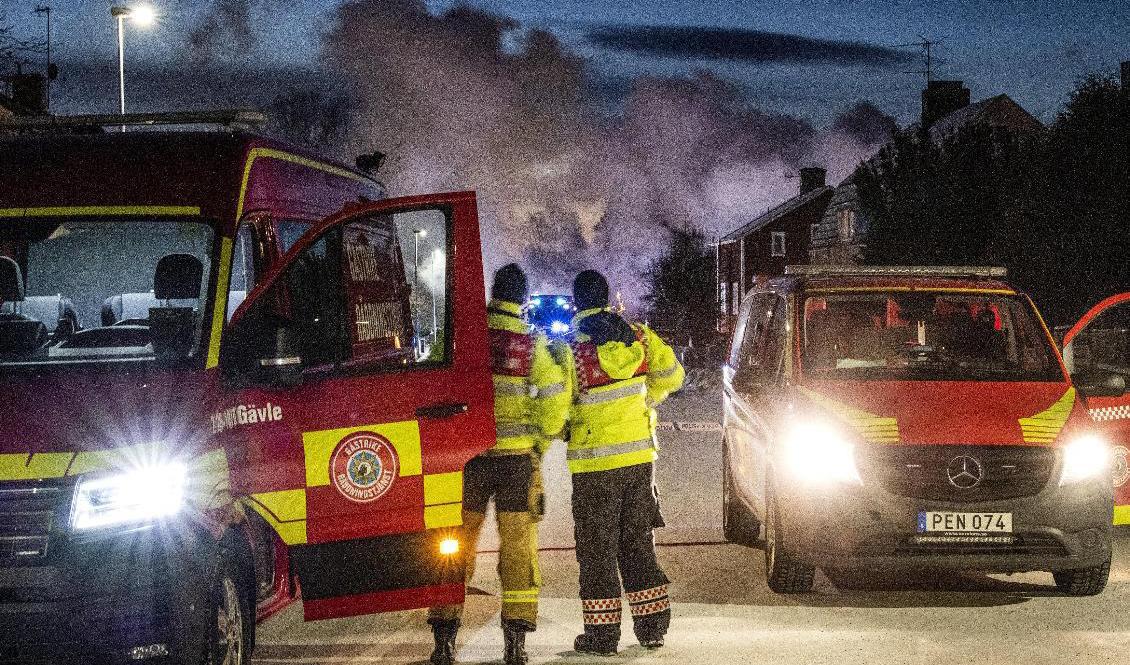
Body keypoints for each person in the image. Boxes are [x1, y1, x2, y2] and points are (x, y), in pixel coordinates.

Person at [427, 264, 570, 665]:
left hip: (468, 460)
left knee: (453, 545)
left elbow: (437, 391)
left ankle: (443, 640)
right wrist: (538, 441)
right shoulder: (531, 344)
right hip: (516, 463)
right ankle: (515, 644)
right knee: (519, 549)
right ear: (522, 299)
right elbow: (555, 401)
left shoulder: (464, 339)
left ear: (493, 293)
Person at [552, 269, 685, 656]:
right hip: (640, 460)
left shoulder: (569, 348)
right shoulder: (639, 336)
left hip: (594, 467)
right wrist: (647, 398)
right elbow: (673, 375)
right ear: (606, 298)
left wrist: (564, 429)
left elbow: (556, 408)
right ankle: (653, 628)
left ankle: (602, 636)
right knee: (638, 544)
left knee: (597, 552)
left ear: (577, 302)